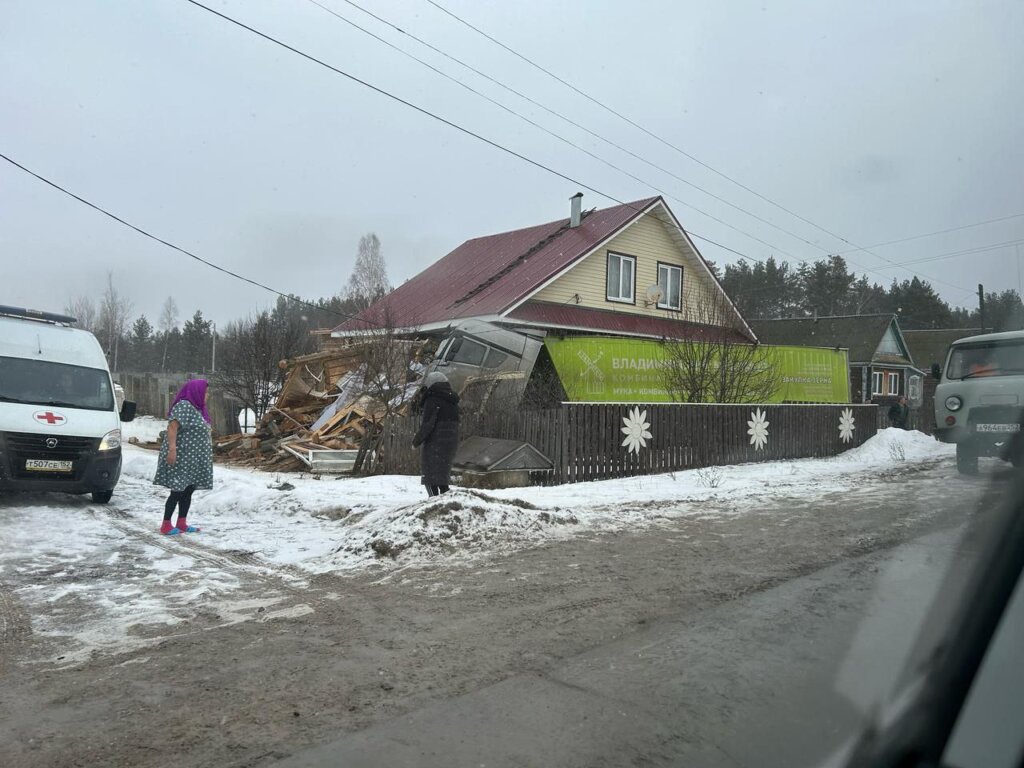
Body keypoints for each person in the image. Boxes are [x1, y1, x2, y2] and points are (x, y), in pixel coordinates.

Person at [153, 379, 214, 534]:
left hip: (194, 459)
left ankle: (182, 522)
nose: (208, 395)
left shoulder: (199, 409)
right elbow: (172, 427)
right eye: (206, 392)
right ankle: (166, 524)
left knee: (188, 490)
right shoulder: (184, 406)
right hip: (182, 457)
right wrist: (172, 450)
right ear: (196, 392)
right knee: (177, 490)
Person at [412, 371, 460, 497]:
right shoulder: (452, 400)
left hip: (435, 443)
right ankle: (446, 504)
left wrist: (416, 441)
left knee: (430, 476)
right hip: (450, 444)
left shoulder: (432, 400)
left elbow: (428, 424)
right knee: (442, 477)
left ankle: (433, 503)